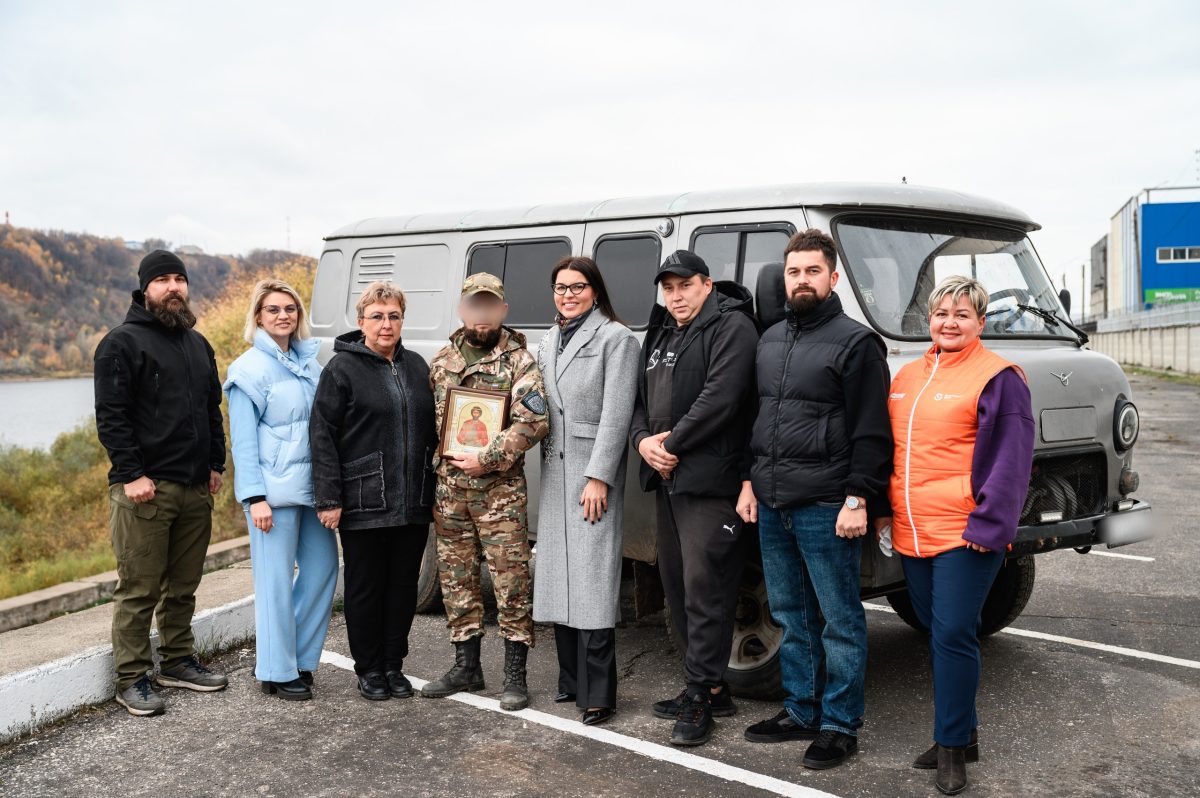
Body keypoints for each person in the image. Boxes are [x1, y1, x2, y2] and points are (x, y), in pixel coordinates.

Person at [737, 229, 894, 769]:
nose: (802, 280)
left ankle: (839, 724)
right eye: (793, 272)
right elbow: (758, 419)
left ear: (832, 277)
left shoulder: (857, 343)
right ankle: (801, 710)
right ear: (784, 279)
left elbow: (873, 432)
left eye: (812, 271)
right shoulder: (771, 338)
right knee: (790, 613)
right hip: (775, 501)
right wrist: (748, 481)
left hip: (828, 503)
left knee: (840, 619)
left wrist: (859, 498)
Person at [875, 275, 1034, 795]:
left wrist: (990, 527)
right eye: (942, 313)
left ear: (980, 323)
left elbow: (1012, 461)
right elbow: (890, 451)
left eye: (962, 315)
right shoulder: (908, 376)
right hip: (912, 530)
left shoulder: (998, 377)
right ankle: (964, 734)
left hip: (966, 533)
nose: (949, 322)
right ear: (929, 319)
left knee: (951, 635)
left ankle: (950, 750)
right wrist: (882, 509)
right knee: (929, 623)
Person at [629, 250, 758, 746]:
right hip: (667, 477)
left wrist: (672, 444)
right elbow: (639, 398)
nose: (676, 296)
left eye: (685, 286)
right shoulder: (662, 330)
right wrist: (644, 441)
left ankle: (699, 695)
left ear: (706, 285)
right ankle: (712, 686)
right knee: (677, 586)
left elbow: (722, 398)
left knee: (708, 589)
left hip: (710, 480)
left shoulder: (732, 327)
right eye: (668, 287)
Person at [93, 249, 229, 716]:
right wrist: (131, 475)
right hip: (144, 491)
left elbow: (211, 410)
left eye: (180, 279)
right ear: (145, 288)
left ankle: (176, 661)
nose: (174, 287)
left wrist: (215, 464)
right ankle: (131, 677)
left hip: (193, 488)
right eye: (163, 280)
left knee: (184, 585)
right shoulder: (121, 343)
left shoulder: (198, 344)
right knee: (139, 588)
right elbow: (111, 417)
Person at [421, 272, 549, 711]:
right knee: (456, 580)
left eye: (490, 305)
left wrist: (487, 457)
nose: (482, 314)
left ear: (502, 310)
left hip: (499, 494)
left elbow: (533, 423)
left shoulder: (519, 362)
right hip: (450, 493)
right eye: (475, 305)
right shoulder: (442, 362)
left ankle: (515, 675)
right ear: (462, 310)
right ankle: (466, 667)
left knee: (510, 582)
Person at [309, 281, 438, 701]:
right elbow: (323, 436)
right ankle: (368, 668)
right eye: (377, 316)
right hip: (364, 498)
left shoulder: (418, 366)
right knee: (366, 589)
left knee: (402, 588)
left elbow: (436, 432)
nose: (386, 324)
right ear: (361, 321)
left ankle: (393, 664)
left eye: (394, 316)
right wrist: (329, 498)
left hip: (413, 499)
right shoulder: (341, 370)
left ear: (403, 320)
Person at [532, 256, 639, 727]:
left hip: (589, 474)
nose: (568, 295)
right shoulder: (548, 339)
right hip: (553, 471)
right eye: (560, 287)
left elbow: (617, 414)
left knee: (592, 580)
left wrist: (600, 475)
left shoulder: (617, 339)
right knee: (557, 576)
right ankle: (570, 680)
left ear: (595, 290)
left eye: (577, 287)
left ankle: (599, 694)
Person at [224, 279, 338, 701]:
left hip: (313, 490)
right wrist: (254, 497)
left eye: (290, 309)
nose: (283, 315)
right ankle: (275, 669)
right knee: (273, 581)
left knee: (324, 569)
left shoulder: (311, 364)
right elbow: (243, 440)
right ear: (258, 316)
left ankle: (299, 659)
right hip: (272, 496)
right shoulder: (247, 369)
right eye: (273, 309)